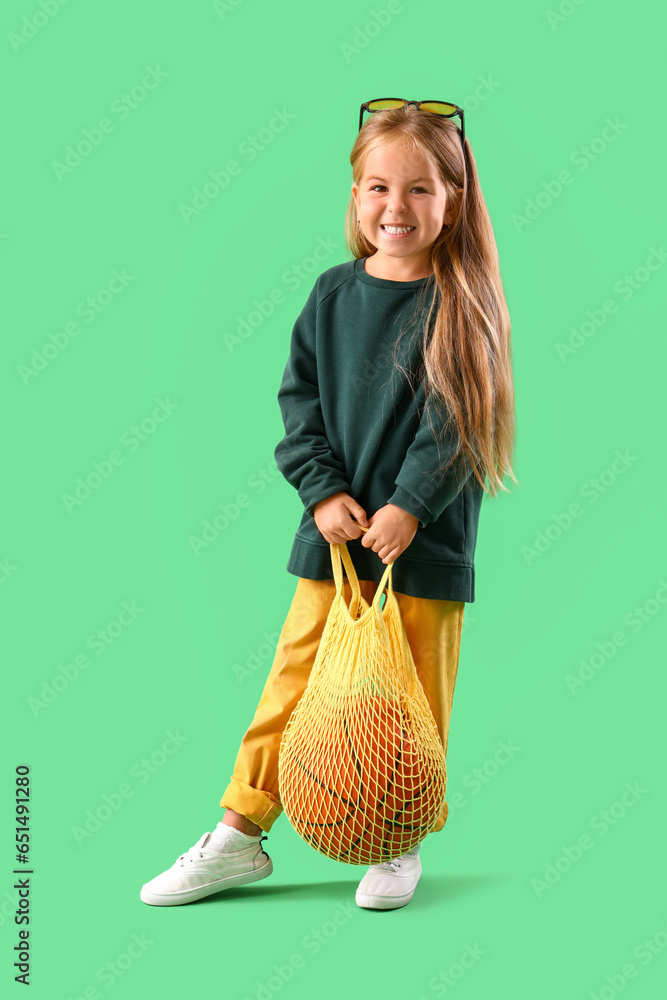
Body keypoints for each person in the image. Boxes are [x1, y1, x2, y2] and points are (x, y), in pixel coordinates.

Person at [140, 98, 516, 911]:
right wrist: (323, 495)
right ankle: (239, 836)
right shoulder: (330, 295)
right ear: (354, 195)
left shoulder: (465, 302)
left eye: (419, 189)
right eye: (377, 187)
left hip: (423, 546)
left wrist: (410, 506)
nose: (395, 207)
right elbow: (298, 403)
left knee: (409, 699)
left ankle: (397, 840)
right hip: (335, 539)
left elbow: (459, 422)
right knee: (291, 684)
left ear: (453, 196)